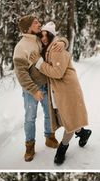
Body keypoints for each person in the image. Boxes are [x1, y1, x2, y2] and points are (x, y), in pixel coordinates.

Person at [29, 21, 92, 165]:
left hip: (67, 89)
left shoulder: (56, 48)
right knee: (67, 118)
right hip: (58, 90)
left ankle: (62, 149)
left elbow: (57, 72)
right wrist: (64, 41)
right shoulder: (48, 47)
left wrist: (39, 63)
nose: (43, 38)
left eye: (47, 35)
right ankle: (83, 132)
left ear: (52, 36)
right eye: (41, 35)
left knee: (69, 119)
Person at [13, 15, 67, 162]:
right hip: (31, 90)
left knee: (49, 114)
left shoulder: (39, 38)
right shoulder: (21, 47)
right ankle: (29, 146)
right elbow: (21, 73)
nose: (39, 24)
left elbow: (55, 39)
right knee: (30, 118)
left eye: (38, 22)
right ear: (28, 27)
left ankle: (50, 137)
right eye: (35, 23)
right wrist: (33, 90)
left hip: (46, 85)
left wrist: (63, 42)